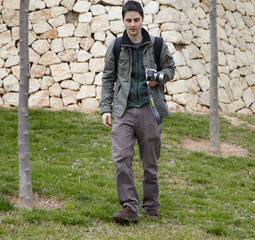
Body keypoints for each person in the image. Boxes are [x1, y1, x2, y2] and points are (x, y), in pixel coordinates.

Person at [100, 0, 175, 223]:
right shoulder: (115, 46)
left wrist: (159, 79)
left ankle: (151, 205)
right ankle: (129, 207)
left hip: (150, 110)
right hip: (123, 110)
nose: (132, 24)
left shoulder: (157, 44)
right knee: (121, 158)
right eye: (128, 20)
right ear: (123, 21)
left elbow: (170, 69)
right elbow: (107, 78)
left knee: (150, 163)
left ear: (142, 19)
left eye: (136, 19)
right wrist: (106, 108)